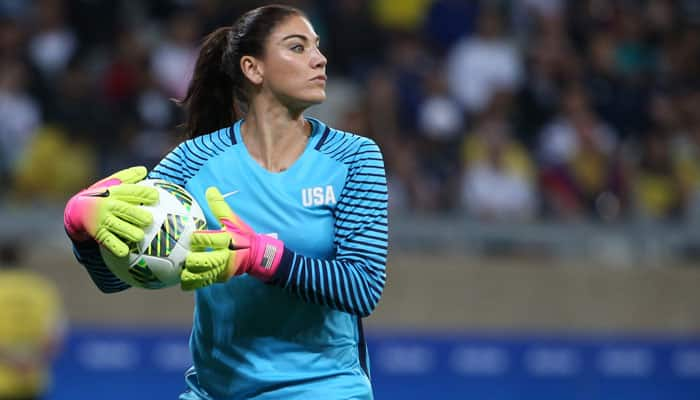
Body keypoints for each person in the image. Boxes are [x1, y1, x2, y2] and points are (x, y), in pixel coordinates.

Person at [63, 5, 388, 400]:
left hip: (323, 389)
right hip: (214, 393)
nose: (320, 59)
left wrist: (262, 257)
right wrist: (83, 232)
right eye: (298, 47)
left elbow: (362, 287)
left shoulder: (354, 157)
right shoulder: (192, 161)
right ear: (254, 69)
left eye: (317, 47)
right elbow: (120, 278)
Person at [0, 242, 65, 400]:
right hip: (33, 380)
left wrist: (12, 360)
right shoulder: (42, 288)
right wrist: (31, 362)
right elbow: (55, 335)